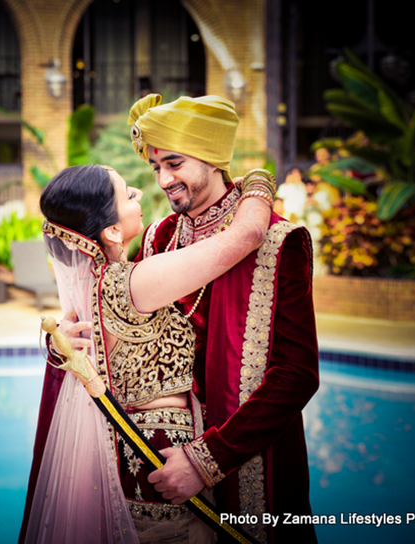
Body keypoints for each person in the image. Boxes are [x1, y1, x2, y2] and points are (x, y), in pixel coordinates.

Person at [21, 163, 275, 544]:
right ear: (110, 230)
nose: (141, 192)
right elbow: (249, 234)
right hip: (160, 462)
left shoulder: (89, 290)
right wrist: (257, 181)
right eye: (128, 194)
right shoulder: (133, 283)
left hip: (131, 459)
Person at [129, 94, 320, 544]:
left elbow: (296, 374)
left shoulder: (278, 241)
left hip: (252, 460)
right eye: (156, 168)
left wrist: (207, 459)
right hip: (168, 458)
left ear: (213, 160)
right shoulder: (160, 238)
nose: (163, 180)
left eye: (173, 163)